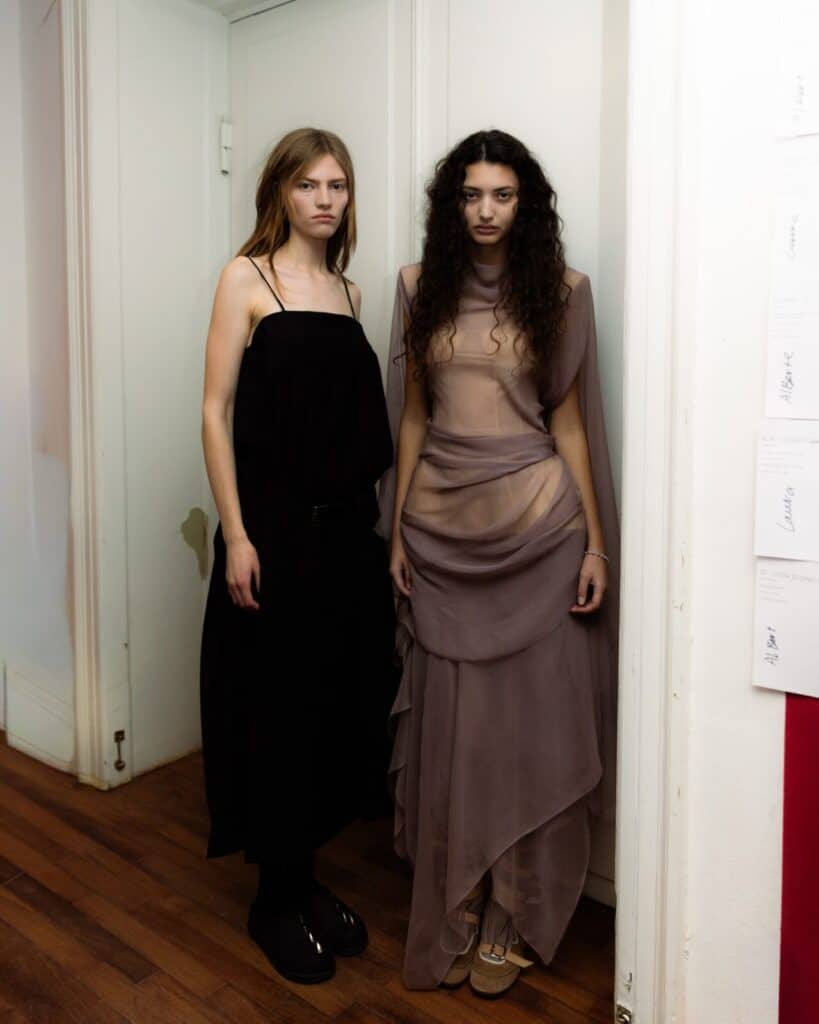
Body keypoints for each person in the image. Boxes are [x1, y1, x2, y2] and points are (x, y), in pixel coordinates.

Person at [380, 129, 620, 997]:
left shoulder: (563, 292)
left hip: (539, 533)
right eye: (469, 196)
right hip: (440, 536)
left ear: (527, 204)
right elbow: (410, 415)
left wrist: (594, 541)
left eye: (501, 196)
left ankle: (511, 910)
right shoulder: (414, 287)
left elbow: (565, 423)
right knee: (460, 734)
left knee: (528, 731)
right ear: (452, 206)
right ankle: (462, 891)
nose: (484, 211)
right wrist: (397, 526)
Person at [199, 127, 396, 986]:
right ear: (280, 192)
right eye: (309, 183)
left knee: (330, 709)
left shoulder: (349, 293)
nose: (325, 198)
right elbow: (214, 411)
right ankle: (272, 899)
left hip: (344, 537)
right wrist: (236, 534)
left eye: (338, 185)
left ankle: (306, 879)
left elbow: (356, 431)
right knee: (273, 713)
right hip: (271, 535)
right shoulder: (247, 278)